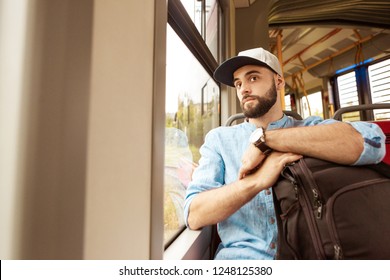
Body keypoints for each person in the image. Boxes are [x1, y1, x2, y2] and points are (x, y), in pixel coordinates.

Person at [183, 47, 386, 260]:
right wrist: (256, 182)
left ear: (279, 82)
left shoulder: (311, 129)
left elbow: (373, 142)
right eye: (238, 83)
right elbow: (194, 214)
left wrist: (266, 140)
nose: (243, 89)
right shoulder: (219, 140)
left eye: (253, 78)